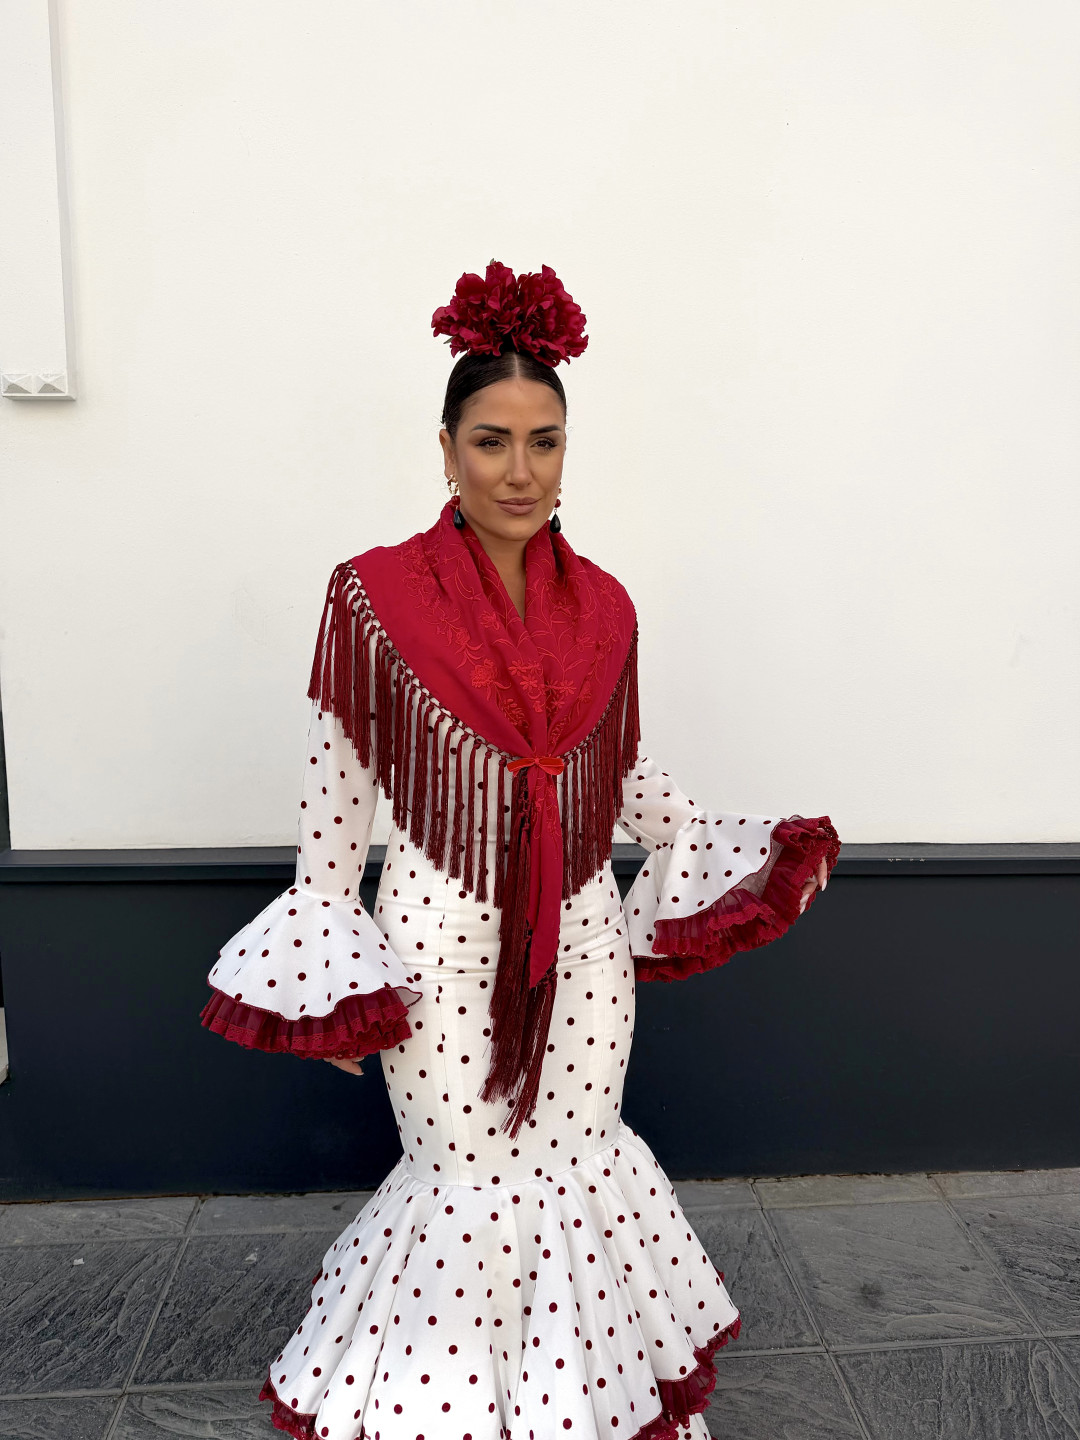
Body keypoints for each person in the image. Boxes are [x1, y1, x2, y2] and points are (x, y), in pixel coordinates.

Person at [199, 259, 841, 1440]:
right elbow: (336, 796)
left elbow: (620, 771)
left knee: (580, 1170)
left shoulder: (605, 605)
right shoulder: (373, 598)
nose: (520, 470)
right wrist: (337, 981)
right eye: (491, 441)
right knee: (465, 1188)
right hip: (438, 939)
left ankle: (575, 1414)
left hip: (586, 944)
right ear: (444, 449)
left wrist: (729, 853)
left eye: (546, 442)